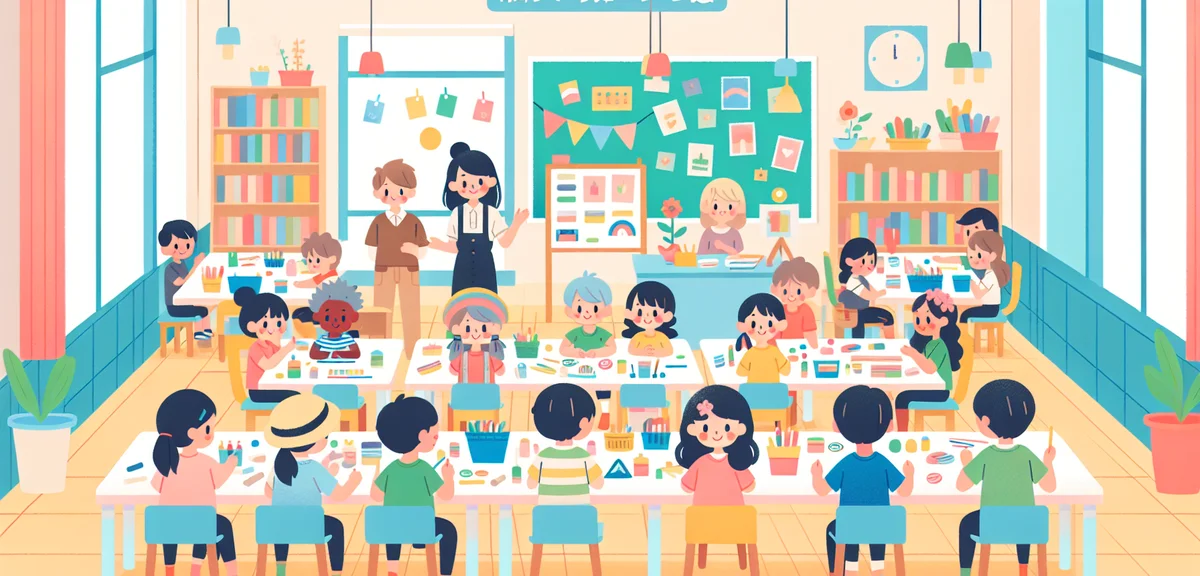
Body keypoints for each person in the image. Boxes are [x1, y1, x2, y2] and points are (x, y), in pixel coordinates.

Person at [956, 379, 1057, 576]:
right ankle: (1023, 570)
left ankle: (965, 573)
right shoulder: (1026, 454)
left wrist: (966, 463)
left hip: (992, 525)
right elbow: (1050, 486)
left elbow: (961, 485)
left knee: (966, 524)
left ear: (986, 421)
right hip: (1025, 525)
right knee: (1022, 517)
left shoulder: (987, 455)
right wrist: (1048, 462)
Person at [812, 386, 914, 576]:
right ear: (889, 426)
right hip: (882, 527)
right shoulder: (883, 463)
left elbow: (822, 490)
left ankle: (849, 569)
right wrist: (910, 475)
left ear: (838, 426)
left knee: (841, 527)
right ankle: (878, 570)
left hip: (851, 526)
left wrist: (816, 475)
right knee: (875, 529)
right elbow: (905, 491)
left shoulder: (846, 464)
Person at [265, 394, 362, 576]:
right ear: (311, 441)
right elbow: (340, 495)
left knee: (283, 520)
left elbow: (268, 491)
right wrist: (354, 481)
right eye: (324, 435)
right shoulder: (314, 468)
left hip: (281, 526)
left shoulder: (279, 465)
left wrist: (293, 495)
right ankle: (336, 573)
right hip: (310, 526)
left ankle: (281, 570)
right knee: (336, 527)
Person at [150, 390, 238, 576]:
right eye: (208, 428)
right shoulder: (206, 463)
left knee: (196, 518)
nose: (211, 433)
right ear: (191, 433)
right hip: (200, 525)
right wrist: (232, 463)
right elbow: (220, 480)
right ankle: (226, 572)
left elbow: (155, 485)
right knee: (219, 525)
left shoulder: (167, 464)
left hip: (169, 527)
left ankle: (170, 571)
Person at [372, 395, 458, 576]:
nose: (436, 437)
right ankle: (445, 573)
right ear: (422, 435)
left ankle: (392, 570)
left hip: (394, 528)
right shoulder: (424, 469)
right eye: (434, 434)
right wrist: (448, 477)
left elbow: (376, 495)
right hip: (422, 528)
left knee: (393, 522)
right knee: (449, 530)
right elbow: (446, 495)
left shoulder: (391, 469)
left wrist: (376, 470)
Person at [429, 142, 530, 293]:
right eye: (464, 182)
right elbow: (454, 247)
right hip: (462, 269)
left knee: (487, 303)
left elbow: (504, 242)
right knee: (461, 303)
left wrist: (516, 224)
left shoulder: (492, 213)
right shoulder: (457, 213)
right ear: (453, 185)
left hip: (485, 269)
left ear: (491, 181)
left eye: (479, 181)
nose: (472, 187)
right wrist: (438, 245)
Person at [364, 158, 429, 358]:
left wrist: (414, 250)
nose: (393, 195)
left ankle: (413, 350)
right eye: (386, 189)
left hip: (409, 270)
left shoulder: (413, 221)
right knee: (382, 311)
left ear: (410, 192)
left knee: (411, 310)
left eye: (399, 190)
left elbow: (423, 250)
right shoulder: (378, 221)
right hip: (384, 270)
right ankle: (381, 350)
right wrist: (382, 258)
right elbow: (371, 250)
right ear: (378, 193)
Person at [676, 385, 759, 505]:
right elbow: (749, 487)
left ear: (741, 428)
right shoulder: (735, 462)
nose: (716, 433)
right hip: (732, 514)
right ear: (692, 429)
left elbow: (686, 487)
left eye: (727, 427)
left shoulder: (703, 463)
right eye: (705, 428)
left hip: (705, 514)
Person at [896, 290, 964, 431]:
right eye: (917, 319)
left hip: (940, 391)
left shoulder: (940, 345)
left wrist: (913, 353)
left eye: (927, 319)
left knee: (902, 398)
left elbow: (930, 368)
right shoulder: (930, 342)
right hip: (932, 385)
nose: (921, 324)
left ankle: (902, 432)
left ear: (943, 321)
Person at [527, 383, 604, 504]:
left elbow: (530, 484)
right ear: (583, 423)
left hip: (547, 514)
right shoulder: (583, 456)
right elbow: (598, 484)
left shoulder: (543, 456)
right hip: (579, 514)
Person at [235, 287, 299, 403]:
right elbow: (268, 364)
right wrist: (287, 349)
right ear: (252, 326)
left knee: (298, 393)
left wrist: (277, 339)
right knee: (296, 397)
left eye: (279, 322)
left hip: (273, 384)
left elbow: (278, 361)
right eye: (265, 323)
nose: (274, 327)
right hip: (259, 391)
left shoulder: (272, 343)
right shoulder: (255, 348)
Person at [158, 220, 211, 341]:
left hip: (181, 302)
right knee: (202, 310)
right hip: (174, 307)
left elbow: (187, 281)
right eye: (176, 246)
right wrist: (195, 266)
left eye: (187, 245)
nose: (182, 249)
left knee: (201, 306)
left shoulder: (181, 264)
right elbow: (180, 282)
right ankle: (199, 332)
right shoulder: (169, 268)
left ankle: (205, 330)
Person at [444, 288, 508, 384]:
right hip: (469, 391)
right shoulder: (463, 355)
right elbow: (500, 371)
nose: (476, 332)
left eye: (484, 328)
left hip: (484, 392)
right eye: (468, 328)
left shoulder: (490, 355)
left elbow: (453, 371)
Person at [838, 238, 895, 339]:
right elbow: (868, 295)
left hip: (862, 311)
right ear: (849, 261)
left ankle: (890, 341)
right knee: (887, 317)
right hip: (855, 313)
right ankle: (890, 341)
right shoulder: (852, 281)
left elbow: (872, 291)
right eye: (864, 261)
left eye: (872, 261)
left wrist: (878, 293)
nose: (870, 265)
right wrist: (882, 293)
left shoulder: (860, 278)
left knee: (887, 317)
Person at [734, 293, 791, 383]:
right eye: (753, 324)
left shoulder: (750, 354)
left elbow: (740, 372)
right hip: (774, 392)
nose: (761, 328)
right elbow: (786, 371)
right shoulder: (775, 352)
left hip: (753, 392)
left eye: (769, 324)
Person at [560, 271, 617, 359]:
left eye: (595, 309)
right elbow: (562, 349)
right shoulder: (574, 334)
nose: (587, 312)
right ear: (569, 310)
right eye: (580, 309)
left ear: (607, 310)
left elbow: (612, 348)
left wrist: (596, 353)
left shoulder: (603, 334)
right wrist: (576, 352)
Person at [960, 230, 1011, 323]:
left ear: (992, 256)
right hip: (990, 308)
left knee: (964, 315)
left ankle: (965, 332)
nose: (974, 260)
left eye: (979, 255)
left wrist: (971, 282)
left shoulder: (991, 276)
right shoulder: (989, 273)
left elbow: (978, 294)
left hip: (990, 309)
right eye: (970, 257)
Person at [769, 257, 820, 349]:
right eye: (785, 291)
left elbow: (810, 334)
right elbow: (774, 332)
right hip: (782, 347)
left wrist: (814, 349)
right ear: (775, 289)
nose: (791, 296)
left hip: (801, 347)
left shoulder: (806, 311)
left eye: (798, 291)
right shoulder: (779, 311)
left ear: (811, 291)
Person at [292, 233, 343, 325]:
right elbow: (313, 282)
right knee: (297, 313)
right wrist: (298, 284)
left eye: (317, 260)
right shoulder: (325, 275)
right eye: (310, 260)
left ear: (332, 259)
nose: (312, 264)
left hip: (326, 315)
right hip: (321, 310)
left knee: (297, 316)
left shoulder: (330, 280)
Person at [307, 279, 364, 360]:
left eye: (343, 318)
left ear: (353, 317)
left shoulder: (347, 339)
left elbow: (356, 354)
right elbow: (313, 354)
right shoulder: (322, 340)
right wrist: (330, 354)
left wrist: (338, 353)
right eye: (327, 317)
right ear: (317, 316)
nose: (335, 321)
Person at [622, 281, 678, 358]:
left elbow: (669, 351)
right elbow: (631, 350)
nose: (646, 316)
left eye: (655, 313)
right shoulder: (637, 337)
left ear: (668, 315)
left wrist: (657, 352)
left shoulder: (662, 338)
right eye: (640, 312)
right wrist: (643, 352)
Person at [934, 207, 1000, 267]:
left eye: (976, 228)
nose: (971, 235)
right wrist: (942, 260)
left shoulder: (994, 252)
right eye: (968, 232)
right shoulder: (974, 253)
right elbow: (961, 260)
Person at [697, 178, 747, 255]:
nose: (722, 211)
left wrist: (723, 246)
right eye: (715, 206)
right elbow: (701, 254)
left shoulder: (734, 233)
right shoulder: (708, 233)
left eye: (730, 207)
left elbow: (736, 253)